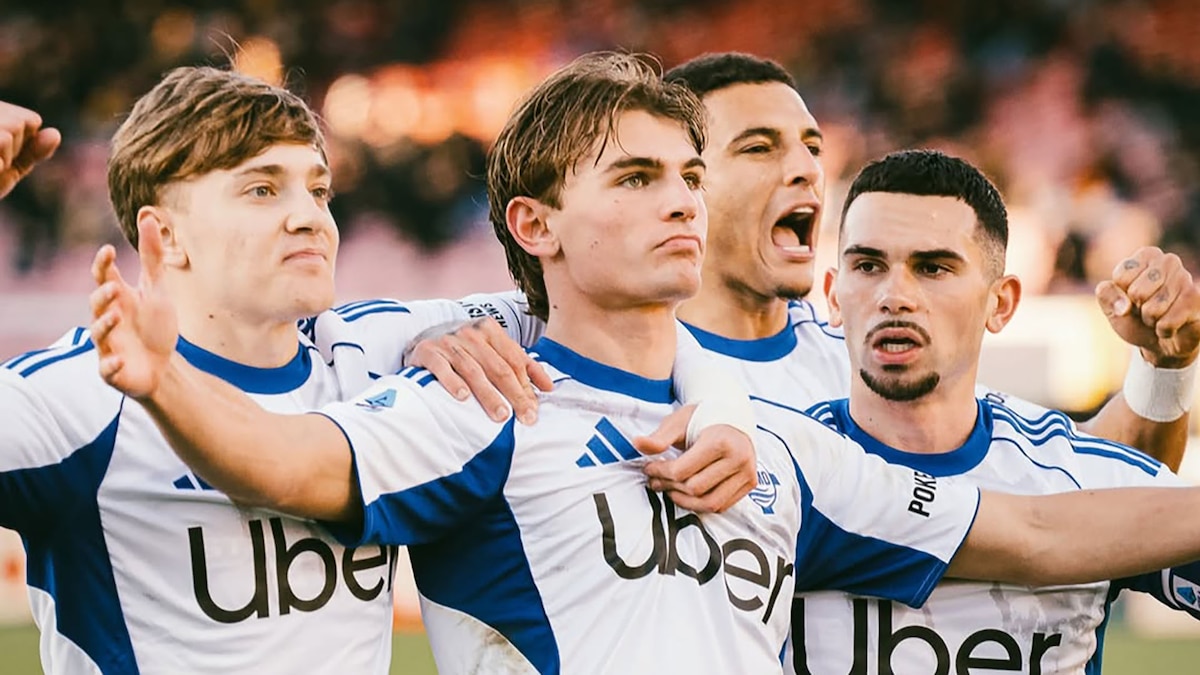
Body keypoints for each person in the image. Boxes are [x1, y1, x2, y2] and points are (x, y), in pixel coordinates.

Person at [91, 52, 1200, 674]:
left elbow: (1043, 524)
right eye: (635, 178)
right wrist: (167, 376)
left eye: (685, 173)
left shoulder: (782, 442)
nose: (679, 197)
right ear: (535, 226)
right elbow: (295, 464)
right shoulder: (481, 396)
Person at [0, 67, 755, 675]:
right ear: (165, 239)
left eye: (318, 188)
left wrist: (724, 407)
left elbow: (624, 310)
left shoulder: (378, 347)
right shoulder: (73, 396)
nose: (309, 216)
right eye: (263, 189)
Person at [790, 149, 1200, 674]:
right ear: (833, 295)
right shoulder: (783, 468)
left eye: (932, 268)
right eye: (868, 265)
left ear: (1000, 303)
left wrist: (1169, 366)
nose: (894, 295)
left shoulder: (1078, 472)